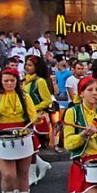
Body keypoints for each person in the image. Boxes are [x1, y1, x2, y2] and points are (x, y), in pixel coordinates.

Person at [23, 55, 54, 184]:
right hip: (26, 118)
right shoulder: (24, 81)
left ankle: (32, 175)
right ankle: (41, 165)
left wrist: (32, 109)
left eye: (30, 65)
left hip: (36, 118)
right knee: (28, 147)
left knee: (30, 147)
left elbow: (47, 101)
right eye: (26, 64)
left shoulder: (39, 81)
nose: (27, 67)